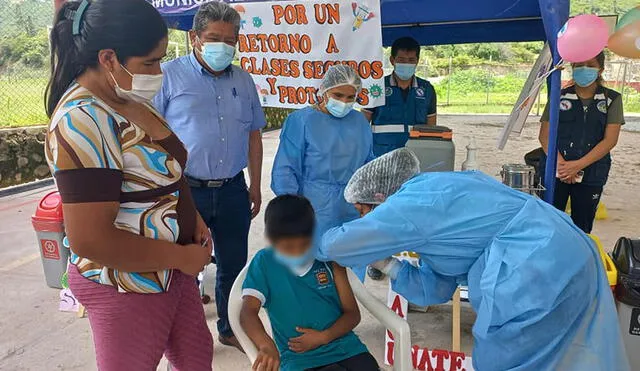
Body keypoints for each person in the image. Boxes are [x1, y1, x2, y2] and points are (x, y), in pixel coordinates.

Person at [319, 149, 629, 371]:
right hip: (566, 249)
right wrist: (388, 264)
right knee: (566, 352)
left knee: (510, 355)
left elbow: (336, 245)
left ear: (380, 196)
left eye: (362, 211)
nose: (364, 219)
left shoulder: (411, 202)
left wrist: (303, 243)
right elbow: (436, 288)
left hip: (535, 261)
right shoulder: (438, 194)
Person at [44, 0, 213, 369]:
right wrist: (183, 258)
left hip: (171, 271)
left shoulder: (126, 98)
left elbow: (165, 171)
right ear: (108, 58)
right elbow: (92, 240)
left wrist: (192, 217)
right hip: (127, 282)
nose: (159, 72)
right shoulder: (83, 121)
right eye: (150, 63)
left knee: (197, 360)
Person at [153, 1, 266, 349]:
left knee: (234, 262)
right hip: (186, 190)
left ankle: (229, 329)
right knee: (184, 266)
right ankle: (185, 335)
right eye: (215, 37)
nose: (224, 46)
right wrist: (166, 191)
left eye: (231, 40)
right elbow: (151, 135)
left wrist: (255, 185)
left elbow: (254, 135)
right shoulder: (168, 76)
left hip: (233, 189)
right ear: (195, 38)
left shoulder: (244, 81)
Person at [240, 195, 380, 371]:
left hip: (346, 349)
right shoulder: (264, 263)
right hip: (297, 360)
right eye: (288, 247)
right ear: (272, 241)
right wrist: (266, 345)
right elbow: (247, 313)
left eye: (304, 244)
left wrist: (324, 337)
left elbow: (352, 314)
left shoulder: (328, 258)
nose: (297, 252)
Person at [271, 64, 374, 249]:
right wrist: (292, 210)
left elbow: (369, 165)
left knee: (348, 263)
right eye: (338, 95)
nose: (344, 102)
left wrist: (369, 202)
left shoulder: (359, 122)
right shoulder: (301, 121)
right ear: (324, 91)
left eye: (351, 97)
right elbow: (285, 169)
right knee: (314, 267)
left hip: (352, 207)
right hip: (312, 208)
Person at [539, 51, 623, 234]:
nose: (584, 69)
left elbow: (610, 140)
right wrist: (561, 166)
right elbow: (545, 136)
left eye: (590, 65)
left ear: (600, 69)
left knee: (582, 228)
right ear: (572, 68)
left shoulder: (612, 100)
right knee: (550, 223)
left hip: (592, 173)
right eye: (579, 65)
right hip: (556, 171)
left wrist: (577, 166)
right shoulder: (558, 97)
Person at [363, 37, 437, 156]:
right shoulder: (376, 87)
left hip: (416, 154)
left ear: (417, 61)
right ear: (392, 60)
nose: (406, 64)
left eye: (411, 60)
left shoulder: (427, 89)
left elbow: (432, 128)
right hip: (381, 155)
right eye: (401, 59)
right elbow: (363, 123)